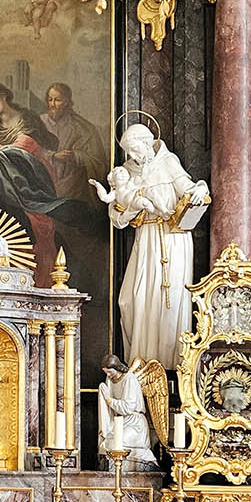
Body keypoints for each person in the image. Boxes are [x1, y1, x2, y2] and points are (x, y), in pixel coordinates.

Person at [90, 124, 210, 368]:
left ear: (147, 142)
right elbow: (117, 217)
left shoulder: (168, 162)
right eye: (128, 152)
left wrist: (201, 189)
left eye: (135, 150)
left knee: (171, 298)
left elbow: (191, 189)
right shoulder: (126, 171)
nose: (132, 156)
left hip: (173, 237)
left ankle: (172, 369)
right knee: (132, 300)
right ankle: (141, 364)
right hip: (146, 237)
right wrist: (132, 207)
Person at [42, 83, 106, 204]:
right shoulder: (39, 123)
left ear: (67, 102)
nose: (53, 105)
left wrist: (76, 155)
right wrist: (53, 156)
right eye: (50, 100)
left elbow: (98, 162)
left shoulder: (82, 128)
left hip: (73, 188)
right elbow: (29, 150)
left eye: (58, 100)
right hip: (43, 183)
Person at [97, 355, 156, 466]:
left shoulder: (129, 379)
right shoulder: (110, 379)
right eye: (106, 372)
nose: (108, 375)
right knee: (107, 442)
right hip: (121, 421)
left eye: (110, 372)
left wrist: (110, 401)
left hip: (135, 423)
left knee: (117, 442)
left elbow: (128, 408)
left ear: (117, 368)